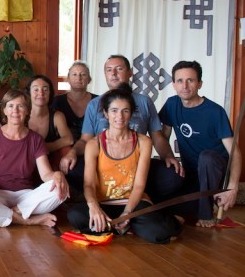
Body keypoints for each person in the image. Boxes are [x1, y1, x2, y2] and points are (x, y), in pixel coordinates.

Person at [67, 85, 183, 244]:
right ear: (106, 113)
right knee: (75, 215)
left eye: (125, 111)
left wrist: (127, 213)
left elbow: (139, 185)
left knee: (159, 232)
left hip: (132, 203)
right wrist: (94, 207)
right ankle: (123, 226)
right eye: (114, 111)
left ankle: (123, 224)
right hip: (104, 202)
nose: (119, 116)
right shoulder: (94, 144)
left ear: (131, 113)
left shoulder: (143, 142)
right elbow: (89, 185)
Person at [59, 55, 184, 201]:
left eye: (119, 69)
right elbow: (85, 140)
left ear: (129, 73)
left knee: (174, 175)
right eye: (109, 70)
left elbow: (157, 137)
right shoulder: (95, 104)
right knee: (71, 168)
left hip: (136, 167)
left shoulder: (144, 102)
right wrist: (72, 152)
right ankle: (105, 196)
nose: (113, 73)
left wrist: (168, 156)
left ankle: (138, 197)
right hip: (102, 169)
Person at [0, 89, 69, 227]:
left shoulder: (36, 139)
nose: (15, 111)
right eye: (10, 106)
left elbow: (46, 174)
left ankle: (3, 215)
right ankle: (28, 220)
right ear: (4, 110)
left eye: (20, 106)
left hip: (26, 196)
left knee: (61, 189)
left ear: (27, 111)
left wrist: (57, 175)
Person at [159, 60, 242, 227]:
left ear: (199, 84)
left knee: (206, 157)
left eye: (190, 80)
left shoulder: (215, 112)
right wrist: (168, 159)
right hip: (191, 173)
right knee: (164, 203)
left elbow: (235, 152)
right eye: (180, 81)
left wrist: (232, 187)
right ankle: (200, 204)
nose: (185, 86)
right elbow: (162, 137)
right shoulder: (172, 104)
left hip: (214, 172)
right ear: (174, 84)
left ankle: (206, 214)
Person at [26, 75, 73, 169]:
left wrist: (43, 148)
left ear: (50, 93)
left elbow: (69, 139)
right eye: (36, 89)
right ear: (29, 93)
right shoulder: (21, 114)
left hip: (50, 162)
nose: (41, 93)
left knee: (66, 150)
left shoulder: (57, 116)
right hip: (25, 160)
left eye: (45, 89)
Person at [52, 61, 97, 142]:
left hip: (92, 145)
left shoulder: (97, 101)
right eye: (74, 74)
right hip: (64, 146)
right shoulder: (57, 101)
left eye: (83, 74)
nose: (78, 78)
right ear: (68, 79)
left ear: (89, 79)